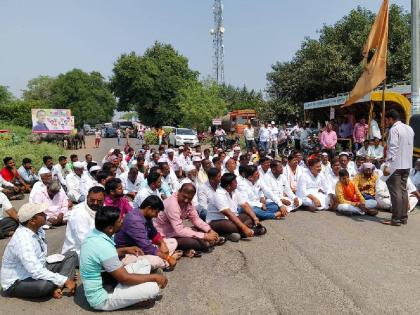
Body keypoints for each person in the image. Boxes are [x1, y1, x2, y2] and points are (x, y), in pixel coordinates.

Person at [79, 206, 167, 311]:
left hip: (109, 279)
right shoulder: (103, 246)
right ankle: (129, 301)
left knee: (144, 263)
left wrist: (125, 250)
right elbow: (125, 279)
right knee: (153, 288)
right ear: (110, 228)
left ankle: (133, 293)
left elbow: (103, 256)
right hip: (102, 297)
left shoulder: (95, 233)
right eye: (120, 220)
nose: (123, 221)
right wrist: (154, 277)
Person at [1, 203, 77, 299]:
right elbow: (35, 271)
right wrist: (65, 280)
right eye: (41, 214)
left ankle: (58, 286)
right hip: (18, 281)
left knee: (72, 255)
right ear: (32, 221)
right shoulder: (23, 241)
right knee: (45, 285)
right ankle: (58, 284)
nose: (45, 215)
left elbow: (40, 263)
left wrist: (61, 279)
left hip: (38, 268)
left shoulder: (39, 229)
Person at [154, 183, 222, 255]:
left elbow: (196, 219)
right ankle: (189, 249)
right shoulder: (172, 204)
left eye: (190, 198)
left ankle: (206, 242)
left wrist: (209, 230)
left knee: (199, 230)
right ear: (179, 191)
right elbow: (179, 230)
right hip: (164, 234)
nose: (186, 200)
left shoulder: (189, 202)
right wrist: (204, 236)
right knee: (193, 241)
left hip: (175, 231)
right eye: (184, 197)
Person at [115, 196, 180, 270]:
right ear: (149, 208)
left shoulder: (144, 215)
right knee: (155, 261)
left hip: (140, 248)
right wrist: (167, 257)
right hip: (127, 254)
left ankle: (163, 262)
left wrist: (162, 243)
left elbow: (153, 232)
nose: (156, 215)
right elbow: (146, 247)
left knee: (172, 242)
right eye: (156, 212)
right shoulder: (134, 220)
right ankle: (166, 263)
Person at [207, 173, 263, 241]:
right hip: (216, 222)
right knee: (229, 225)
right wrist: (244, 228)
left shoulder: (234, 191)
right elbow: (229, 214)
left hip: (232, 218)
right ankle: (247, 232)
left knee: (248, 216)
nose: (237, 183)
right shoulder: (218, 195)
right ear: (228, 186)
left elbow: (245, 205)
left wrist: (255, 219)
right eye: (235, 182)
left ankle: (236, 234)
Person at [383, 109, 415, 226]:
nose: (386, 122)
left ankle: (395, 219)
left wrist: (387, 165)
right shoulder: (409, 128)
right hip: (407, 164)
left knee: (396, 192)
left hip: (395, 165)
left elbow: (393, 148)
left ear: (391, 119)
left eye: (386, 120)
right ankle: (403, 218)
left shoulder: (394, 129)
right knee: (403, 191)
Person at [62, 186, 105, 255]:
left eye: (99, 201)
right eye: (92, 200)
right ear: (87, 197)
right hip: (77, 253)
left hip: (97, 246)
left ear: (104, 200)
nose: (95, 203)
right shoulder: (79, 213)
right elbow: (84, 241)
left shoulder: (103, 208)